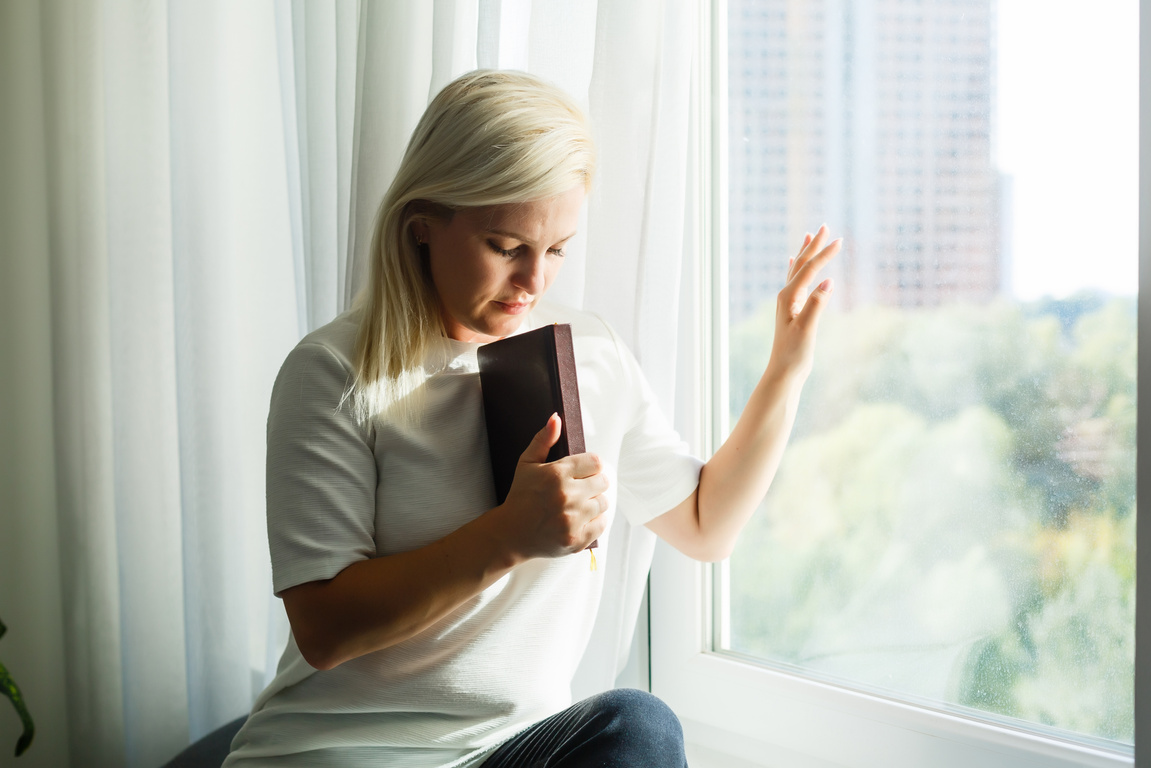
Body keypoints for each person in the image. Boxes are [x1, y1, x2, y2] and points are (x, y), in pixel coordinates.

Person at [223, 69, 840, 768]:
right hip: (346, 752)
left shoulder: (590, 356)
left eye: (555, 251)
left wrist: (786, 367)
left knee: (636, 725)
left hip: (506, 752)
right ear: (422, 222)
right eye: (505, 246)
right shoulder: (333, 371)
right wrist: (510, 535)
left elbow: (705, 523)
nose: (534, 282)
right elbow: (324, 628)